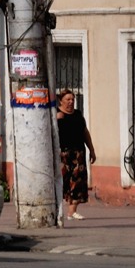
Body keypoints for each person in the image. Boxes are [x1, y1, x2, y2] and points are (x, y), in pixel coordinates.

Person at [56, 89, 97, 220]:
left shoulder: (78, 115)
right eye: (68, 99)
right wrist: (57, 119)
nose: (71, 102)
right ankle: (59, 210)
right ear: (61, 101)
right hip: (63, 153)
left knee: (78, 181)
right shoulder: (56, 115)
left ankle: (72, 211)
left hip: (78, 152)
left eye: (72, 99)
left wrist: (92, 149)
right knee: (64, 181)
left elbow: (85, 132)